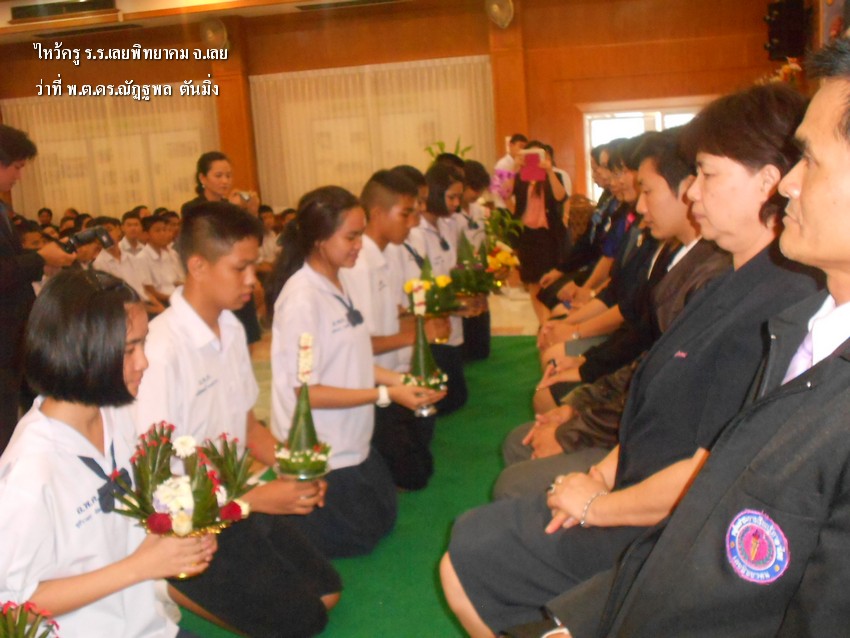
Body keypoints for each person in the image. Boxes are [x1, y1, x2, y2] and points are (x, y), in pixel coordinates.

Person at [439, 83, 821, 637]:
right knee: (472, 540)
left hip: (669, 528)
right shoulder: (731, 280)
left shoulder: (779, 304)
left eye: (707, 174)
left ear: (767, 181)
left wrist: (596, 505)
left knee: (471, 554)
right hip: (637, 488)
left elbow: (715, 471)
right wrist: (598, 473)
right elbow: (654, 395)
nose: (692, 192)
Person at [134, 201, 342, 636]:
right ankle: (166, 582)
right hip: (184, 520)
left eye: (253, 266)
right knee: (302, 622)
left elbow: (247, 427)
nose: (252, 279)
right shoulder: (161, 349)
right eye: (240, 268)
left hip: (232, 501)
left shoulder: (230, 328)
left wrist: (295, 468)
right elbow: (157, 478)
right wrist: (256, 499)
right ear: (198, 266)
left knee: (327, 591)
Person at [496, 129, 731, 500]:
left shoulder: (713, 274)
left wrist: (576, 422)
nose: (637, 201)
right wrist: (580, 399)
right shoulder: (676, 254)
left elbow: (661, 388)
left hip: (652, 447)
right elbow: (646, 356)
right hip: (628, 410)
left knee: (516, 470)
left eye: (644, 187)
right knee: (524, 435)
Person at [0, 268, 217, 637]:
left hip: (147, 626)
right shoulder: (30, 471)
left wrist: (177, 538)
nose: (143, 362)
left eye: (143, 344)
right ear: (79, 350)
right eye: (129, 349)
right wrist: (141, 566)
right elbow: (15, 606)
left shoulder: (112, 413)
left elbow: (122, 529)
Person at [269, 185, 441, 557]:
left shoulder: (338, 281)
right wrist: (387, 394)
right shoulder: (302, 299)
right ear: (319, 239)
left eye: (360, 234)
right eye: (350, 236)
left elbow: (354, 361)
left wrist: (402, 380)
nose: (359, 245)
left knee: (383, 520)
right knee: (359, 538)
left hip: (354, 440)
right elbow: (306, 392)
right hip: (322, 449)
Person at [343, 170, 449, 491]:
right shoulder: (358, 265)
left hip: (394, 372)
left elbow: (395, 315)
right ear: (377, 214)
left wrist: (425, 323)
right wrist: (418, 334)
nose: (412, 223)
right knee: (412, 476)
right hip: (371, 386)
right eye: (405, 214)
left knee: (422, 464)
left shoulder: (388, 253)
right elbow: (359, 346)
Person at [0, 124, 76, 454]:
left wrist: (42, 263)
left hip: (14, 340)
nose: (19, 176)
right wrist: (39, 258)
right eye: (16, 167)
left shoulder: (2, 207)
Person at [407, 162, 470, 415]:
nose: (456, 203)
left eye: (458, 197)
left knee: (457, 396)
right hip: (431, 318)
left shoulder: (449, 224)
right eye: (451, 197)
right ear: (434, 193)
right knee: (447, 398)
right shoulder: (415, 231)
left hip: (450, 315)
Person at [182, 151, 262, 348]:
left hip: (238, 278)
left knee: (246, 338)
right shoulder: (193, 208)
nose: (225, 181)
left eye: (228, 175)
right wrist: (233, 210)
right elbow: (212, 240)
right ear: (203, 178)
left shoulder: (231, 206)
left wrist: (252, 213)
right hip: (215, 282)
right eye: (218, 176)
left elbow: (252, 242)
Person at [512, 141, 569, 324]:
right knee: (532, 283)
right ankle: (543, 322)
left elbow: (561, 196)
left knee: (548, 281)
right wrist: (514, 168)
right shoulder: (520, 178)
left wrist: (549, 171)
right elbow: (501, 191)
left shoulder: (555, 176)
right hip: (527, 236)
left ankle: (550, 320)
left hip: (548, 236)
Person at [92, 216, 165, 316]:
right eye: (102, 233)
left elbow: (145, 289)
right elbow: (119, 301)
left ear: (119, 230)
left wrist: (159, 307)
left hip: (147, 306)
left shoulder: (132, 258)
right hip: (128, 313)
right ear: (97, 239)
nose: (107, 235)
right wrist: (154, 310)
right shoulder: (99, 265)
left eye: (109, 230)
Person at [136, 215, 184, 306]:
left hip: (175, 297)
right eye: (158, 231)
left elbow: (176, 281)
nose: (163, 234)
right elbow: (149, 291)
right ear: (146, 235)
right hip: (161, 302)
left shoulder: (167, 254)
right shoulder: (141, 258)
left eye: (164, 230)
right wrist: (175, 298)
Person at [491, 133, 528, 208]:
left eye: (525, 148)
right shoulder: (502, 164)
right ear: (511, 145)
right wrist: (515, 168)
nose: (523, 150)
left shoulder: (522, 164)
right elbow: (503, 191)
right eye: (520, 146)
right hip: (504, 206)